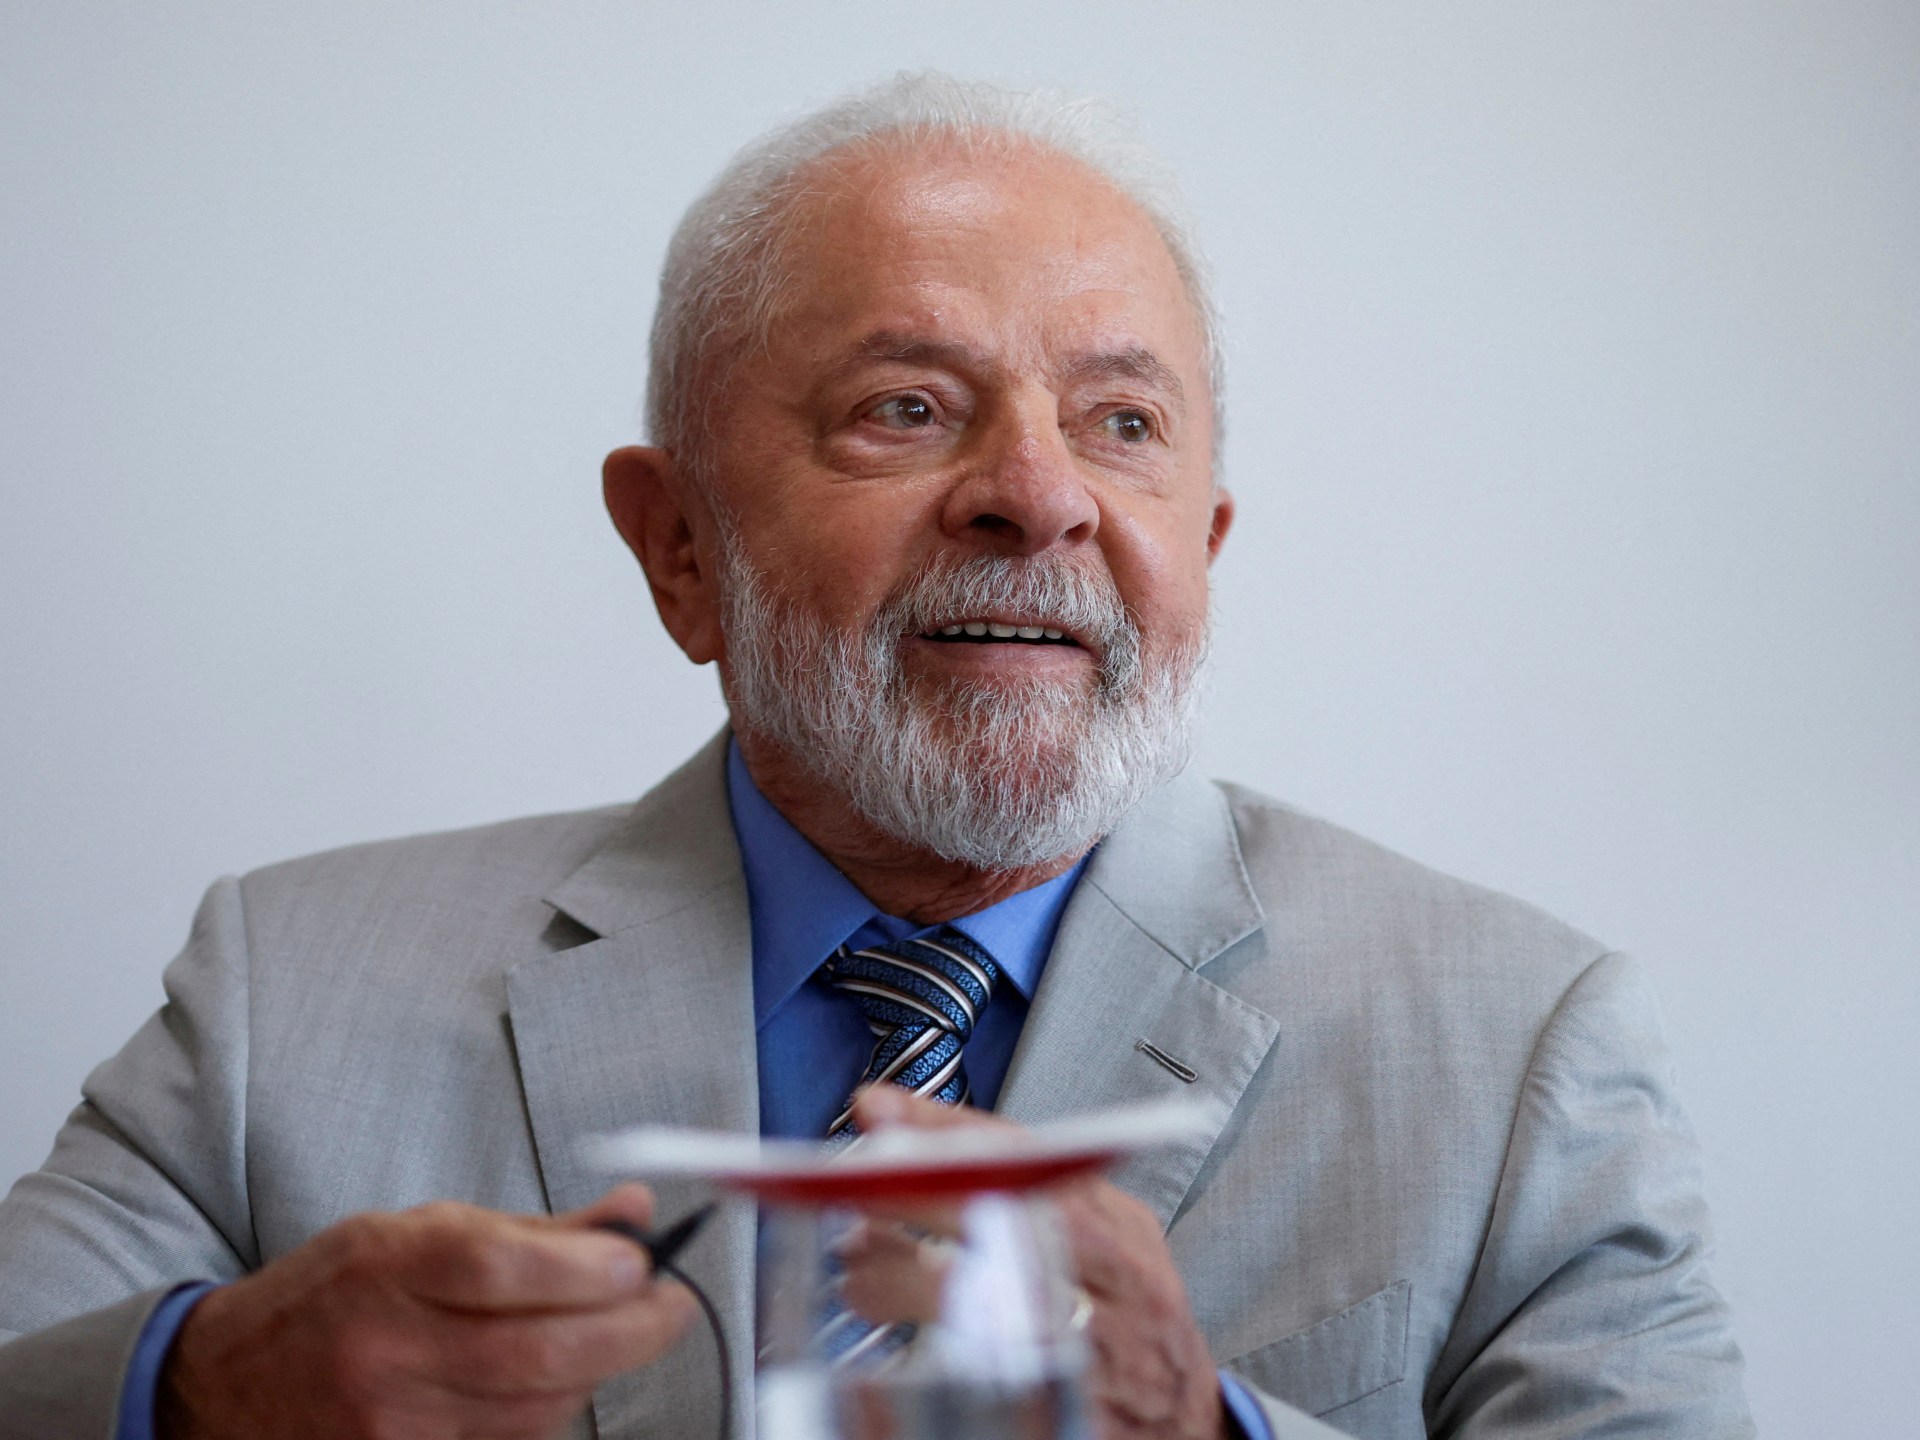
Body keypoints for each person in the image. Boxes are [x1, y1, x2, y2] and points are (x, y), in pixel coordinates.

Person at [0, 73, 1752, 1440]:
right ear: (678, 549)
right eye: (905, 407)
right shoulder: (283, 994)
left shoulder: (1522, 1049)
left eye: (1122, 422)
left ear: (1206, 544)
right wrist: (199, 1389)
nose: (1041, 495)